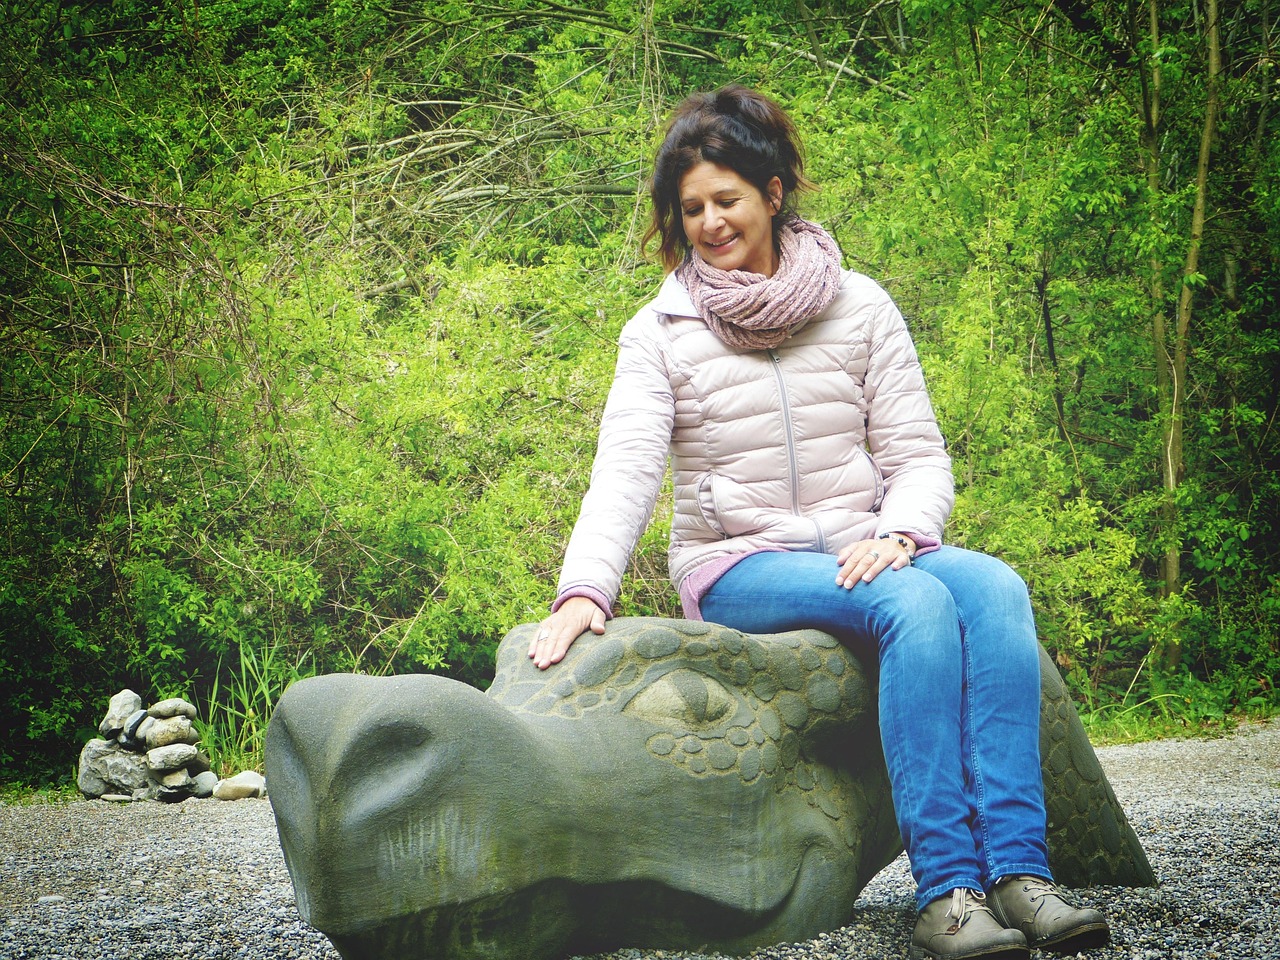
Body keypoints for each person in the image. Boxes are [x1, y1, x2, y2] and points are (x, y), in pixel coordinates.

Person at [529, 84, 1109, 960]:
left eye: (726, 200)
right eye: (691, 209)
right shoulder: (660, 332)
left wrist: (901, 532)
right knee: (913, 603)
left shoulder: (860, 305)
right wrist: (585, 590)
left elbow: (918, 455)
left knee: (993, 587)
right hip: (738, 562)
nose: (710, 223)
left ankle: (1019, 875)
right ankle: (947, 892)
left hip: (862, 541)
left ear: (772, 192)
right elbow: (626, 470)